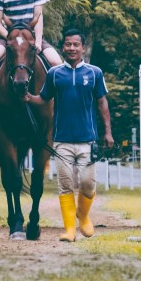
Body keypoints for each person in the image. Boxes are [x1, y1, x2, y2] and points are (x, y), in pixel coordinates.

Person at [23, 28, 114, 242]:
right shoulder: (55, 74)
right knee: (65, 185)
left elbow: (102, 103)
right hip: (62, 141)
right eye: (68, 44)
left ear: (83, 48)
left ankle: (83, 217)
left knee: (88, 184)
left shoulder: (94, 73)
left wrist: (108, 132)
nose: (71, 48)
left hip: (88, 141)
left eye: (76, 45)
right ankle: (70, 230)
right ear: (63, 47)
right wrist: (28, 98)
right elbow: (44, 98)